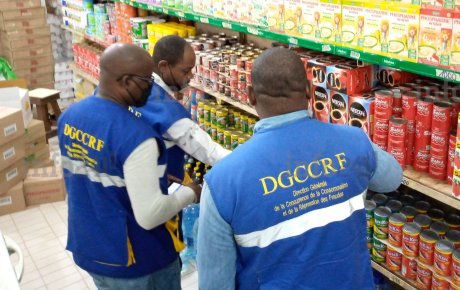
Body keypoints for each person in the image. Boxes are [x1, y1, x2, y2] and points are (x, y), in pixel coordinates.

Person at [197, 48, 404, 290]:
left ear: (251, 95)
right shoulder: (355, 141)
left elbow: (214, 283)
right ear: (309, 89)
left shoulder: (222, 183)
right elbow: (393, 178)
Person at [58, 43, 201, 290]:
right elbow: (150, 215)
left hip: (91, 246)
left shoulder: (70, 116)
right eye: (147, 80)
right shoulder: (136, 137)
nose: (152, 87)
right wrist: (191, 193)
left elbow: (93, 172)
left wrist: (149, 178)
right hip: (138, 260)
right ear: (126, 81)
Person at [131, 35, 230, 183]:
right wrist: (246, 160)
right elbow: (209, 151)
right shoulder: (168, 112)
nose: (190, 76)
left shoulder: (135, 84)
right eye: (185, 70)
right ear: (163, 66)